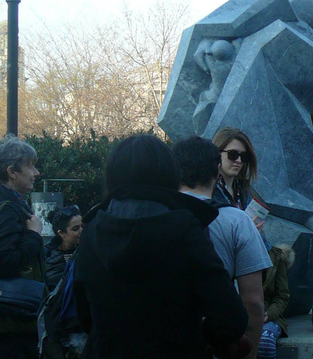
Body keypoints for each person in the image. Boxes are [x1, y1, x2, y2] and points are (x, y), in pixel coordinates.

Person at [74, 134, 250, 359]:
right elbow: (231, 317)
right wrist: (200, 338)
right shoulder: (186, 229)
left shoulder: (91, 230)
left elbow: (85, 315)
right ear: (170, 173)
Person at [173, 136, 273, 359]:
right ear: (217, 169)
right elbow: (253, 303)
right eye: (232, 155)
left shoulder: (154, 217)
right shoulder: (237, 221)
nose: (238, 161)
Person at [0, 136, 44, 359]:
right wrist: (33, 234)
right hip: (11, 321)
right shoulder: (6, 208)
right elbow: (5, 261)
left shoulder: (13, 203)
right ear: (12, 172)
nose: (36, 173)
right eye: (30, 166)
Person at [258, 242, 294, 359]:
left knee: (265, 341)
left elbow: (282, 296)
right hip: (236, 314)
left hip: (268, 316)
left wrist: (269, 314)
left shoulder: (277, 257)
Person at [212, 127, 259, 211]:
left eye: (244, 156)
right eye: (233, 154)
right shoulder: (206, 189)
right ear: (217, 152)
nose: (239, 161)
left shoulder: (244, 190)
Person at [44, 205, 83, 291]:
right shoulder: (48, 256)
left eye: (82, 226)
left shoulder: (87, 250)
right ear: (61, 233)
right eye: (75, 229)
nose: (81, 231)